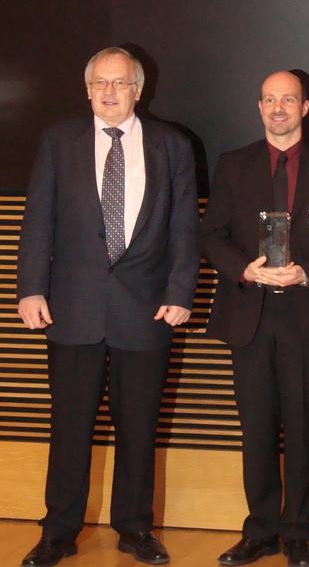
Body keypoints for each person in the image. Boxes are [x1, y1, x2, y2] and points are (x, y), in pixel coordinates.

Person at [17, 46, 199, 567]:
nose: (110, 92)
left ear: (139, 90)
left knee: (139, 425)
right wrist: (30, 287)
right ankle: (58, 531)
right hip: (71, 310)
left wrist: (180, 292)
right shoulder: (59, 141)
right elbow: (37, 222)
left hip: (146, 311)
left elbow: (185, 228)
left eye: (120, 83)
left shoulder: (172, 145)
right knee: (69, 425)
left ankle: (135, 528)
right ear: (88, 89)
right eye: (101, 83)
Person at [201, 70, 309, 567]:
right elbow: (211, 235)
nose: (278, 108)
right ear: (259, 108)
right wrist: (243, 269)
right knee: (255, 428)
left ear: (306, 107)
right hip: (249, 314)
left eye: (288, 99)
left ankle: (298, 530)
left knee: (303, 428)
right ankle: (259, 530)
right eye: (270, 100)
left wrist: (306, 272)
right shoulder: (233, 165)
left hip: (307, 313)